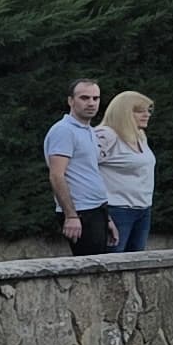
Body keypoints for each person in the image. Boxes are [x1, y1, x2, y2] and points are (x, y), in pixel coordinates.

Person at [43, 77, 116, 254]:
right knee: (92, 271)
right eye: (84, 98)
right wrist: (71, 215)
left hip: (96, 210)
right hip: (81, 213)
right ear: (70, 101)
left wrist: (107, 218)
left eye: (95, 98)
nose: (91, 103)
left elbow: (89, 173)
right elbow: (56, 175)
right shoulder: (64, 131)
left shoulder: (89, 130)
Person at [95, 90, 158, 253]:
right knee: (114, 263)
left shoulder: (140, 136)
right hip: (117, 209)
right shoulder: (105, 135)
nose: (146, 115)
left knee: (136, 262)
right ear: (123, 113)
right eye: (139, 111)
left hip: (143, 209)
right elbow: (84, 169)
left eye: (148, 111)